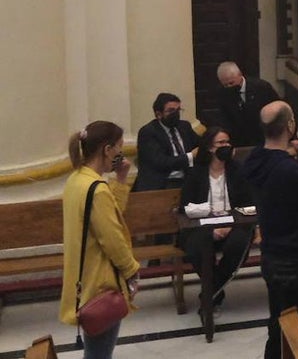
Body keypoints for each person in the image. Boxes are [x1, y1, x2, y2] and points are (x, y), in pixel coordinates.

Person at [240, 102, 298, 359]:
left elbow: (272, 162)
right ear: (290, 126)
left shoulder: (255, 162)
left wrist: (287, 156)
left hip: (272, 258)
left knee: (277, 329)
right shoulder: (293, 172)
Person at [60, 121, 141, 359]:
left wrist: (121, 178)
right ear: (107, 150)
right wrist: (131, 270)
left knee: (96, 351)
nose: (120, 153)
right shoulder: (96, 189)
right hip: (101, 282)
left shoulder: (77, 180)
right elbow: (112, 238)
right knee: (99, 354)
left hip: (84, 278)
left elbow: (110, 214)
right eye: (118, 147)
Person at [179, 127, 255, 316]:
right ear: (210, 148)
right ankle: (215, 293)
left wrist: (230, 225)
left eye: (228, 142)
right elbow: (185, 206)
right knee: (196, 248)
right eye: (221, 143)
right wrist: (212, 229)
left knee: (238, 245)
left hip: (234, 225)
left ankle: (209, 293)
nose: (226, 146)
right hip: (204, 226)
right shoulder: (196, 173)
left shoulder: (238, 170)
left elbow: (249, 202)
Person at [133, 92, 198, 191]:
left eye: (178, 110)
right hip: (161, 184)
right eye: (171, 110)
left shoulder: (184, 127)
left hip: (186, 181)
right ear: (159, 114)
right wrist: (190, 156)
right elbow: (161, 162)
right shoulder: (148, 132)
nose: (176, 114)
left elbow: (201, 144)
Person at [215, 61, 280, 148]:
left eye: (231, 83)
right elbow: (224, 117)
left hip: (263, 137)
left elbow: (280, 110)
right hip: (239, 140)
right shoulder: (222, 93)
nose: (229, 87)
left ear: (240, 75)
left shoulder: (262, 88)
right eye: (225, 85)